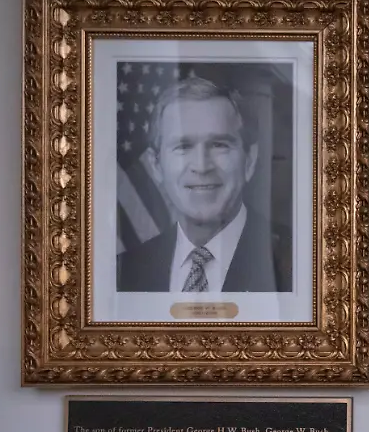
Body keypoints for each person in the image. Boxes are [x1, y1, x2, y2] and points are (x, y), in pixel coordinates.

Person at [116, 77, 292, 293]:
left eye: (219, 145)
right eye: (183, 146)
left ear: (249, 159)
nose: (201, 166)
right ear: (156, 165)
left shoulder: (299, 261)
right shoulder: (125, 272)